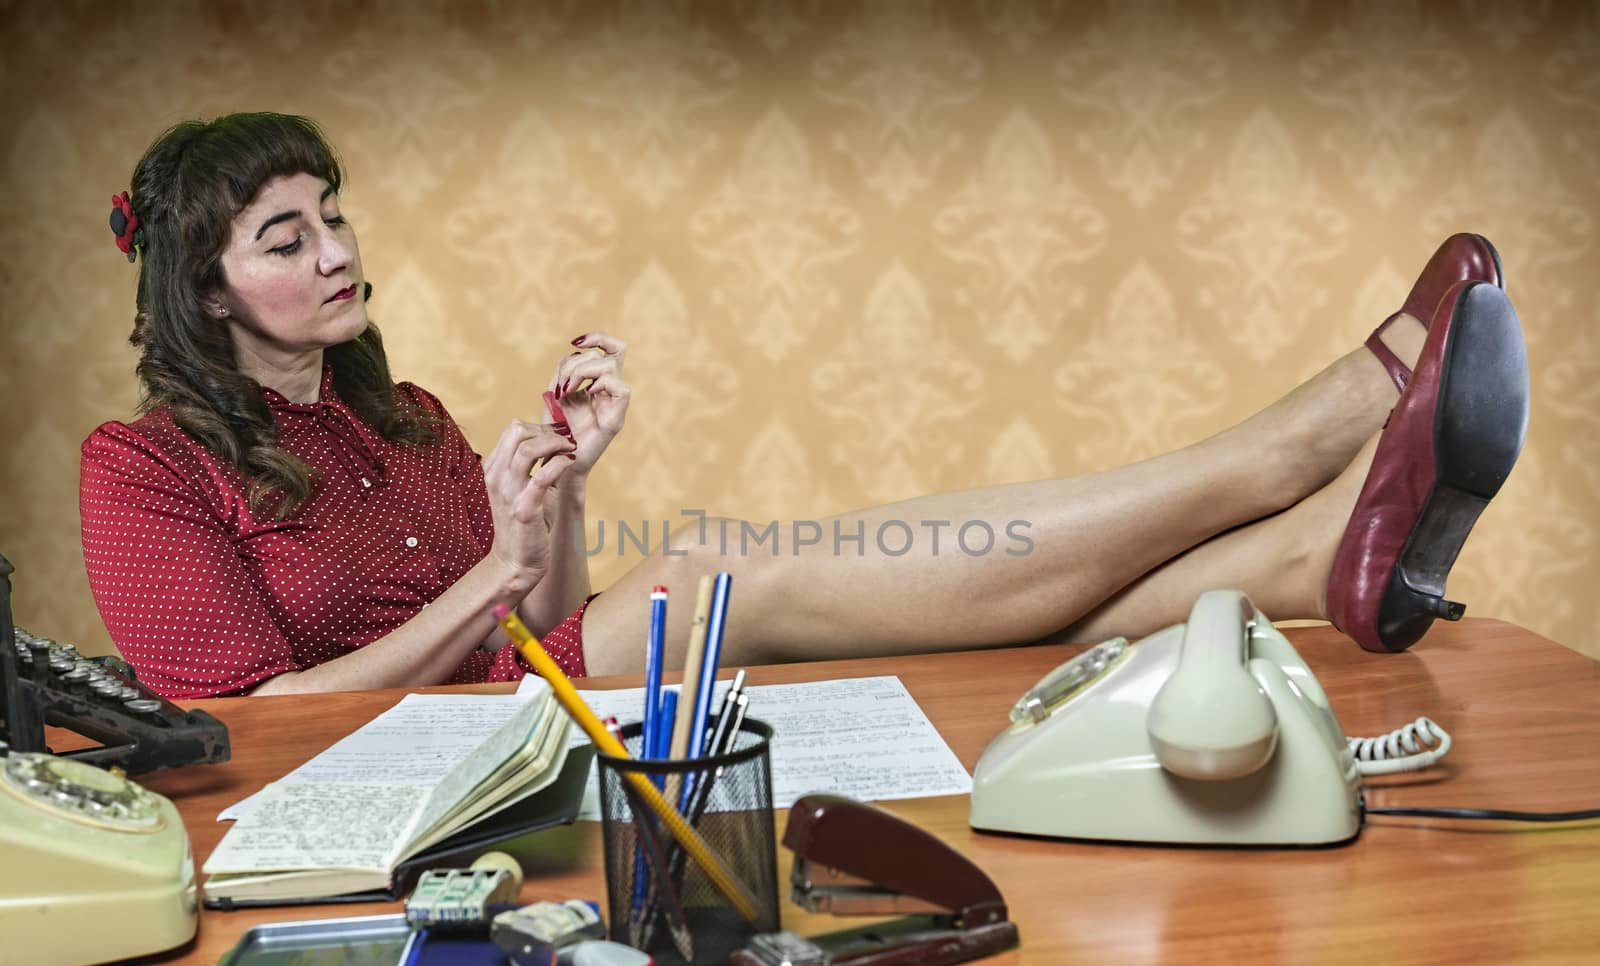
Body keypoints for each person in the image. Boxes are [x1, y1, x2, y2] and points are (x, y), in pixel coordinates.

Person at [81, 113, 1530, 700]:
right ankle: (1300, 448)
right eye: (285, 239)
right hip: (419, 773)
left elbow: (541, 615)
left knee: (953, 603)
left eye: (330, 217)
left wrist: (570, 489)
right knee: (719, 572)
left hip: (540, 708)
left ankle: (1302, 557)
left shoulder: (409, 418)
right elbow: (254, 731)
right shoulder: (138, 467)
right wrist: (503, 573)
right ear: (204, 291)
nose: (336, 252)